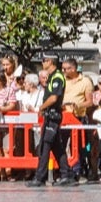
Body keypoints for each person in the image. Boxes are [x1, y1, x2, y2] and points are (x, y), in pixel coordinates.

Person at [27, 55, 76, 187]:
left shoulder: (57, 76)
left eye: (43, 61)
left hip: (53, 116)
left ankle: (40, 177)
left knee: (45, 146)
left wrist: (41, 107)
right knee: (56, 147)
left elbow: (54, 97)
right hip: (50, 115)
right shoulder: (52, 76)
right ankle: (67, 174)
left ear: (50, 61)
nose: (42, 63)